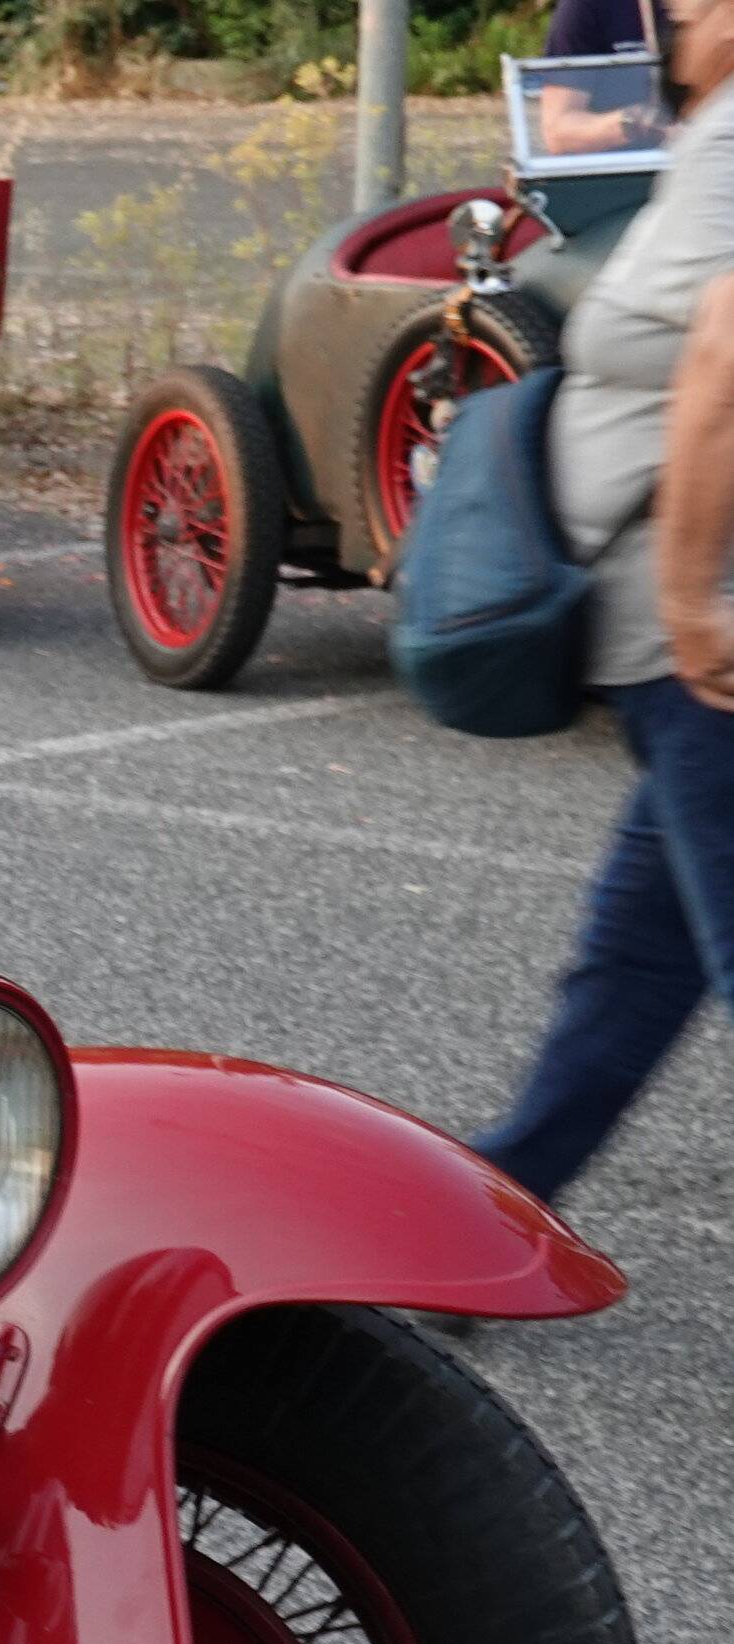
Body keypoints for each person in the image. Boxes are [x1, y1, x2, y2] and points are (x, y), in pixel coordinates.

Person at [473, 0, 734, 1205]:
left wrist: (686, 601)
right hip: (668, 635)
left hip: (701, 635)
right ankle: (495, 1212)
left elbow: (724, 356)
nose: (673, 13)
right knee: (637, 962)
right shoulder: (711, 128)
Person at [537, 0, 667, 154]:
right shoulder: (587, 6)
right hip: (622, 164)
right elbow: (559, 133)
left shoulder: (693, 15)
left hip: (688, 158)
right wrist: (637, 122)